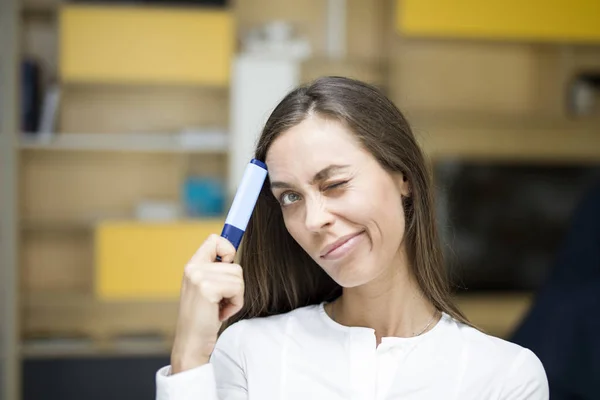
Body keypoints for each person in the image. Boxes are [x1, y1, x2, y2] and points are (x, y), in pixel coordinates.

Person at [156, 76, 549, 399]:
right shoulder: (248, 350)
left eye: (335, 184)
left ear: (404, 178)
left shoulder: (505, 376)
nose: (313, 219)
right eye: (290, 197)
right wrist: (189, 354)